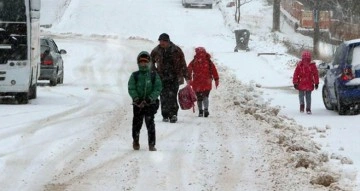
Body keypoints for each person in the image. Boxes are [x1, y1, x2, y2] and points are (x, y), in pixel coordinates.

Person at [150, 33, 190, 123]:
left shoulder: (176, 50)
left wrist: (187, 77)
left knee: (172, 97)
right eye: (160, 41)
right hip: (161, 78)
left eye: (163, 41)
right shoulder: (156, 50)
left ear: (168, 41)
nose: (161, 43)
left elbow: (183, 64)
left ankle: (173, 115)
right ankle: (165, 114)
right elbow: (150, 62)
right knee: (163, 96)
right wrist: (154, 72)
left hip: (174, 77)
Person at [128, 51, 162, 151]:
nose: (143, 64)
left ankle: (151, 144)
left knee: (150, 123)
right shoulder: (135, 75)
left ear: (149, 63)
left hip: (150, 104)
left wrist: (150, 98)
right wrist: (136, 99)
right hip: (137, 104)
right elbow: (131, 88)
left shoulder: (153, 75)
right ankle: (136, 141)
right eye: (141, 62)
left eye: (145, 62)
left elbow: (158, 88)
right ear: (138, 63)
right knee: (136, 124)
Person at [187, 47, 219, 117]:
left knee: (199, 97)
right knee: (205, 96)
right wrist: (216, 79)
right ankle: (206, 109)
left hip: (197, 82)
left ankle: (200, 111)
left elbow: (188, 70)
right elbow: (214, 70)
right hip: (207, 82)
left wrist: (189, 79)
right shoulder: (208, 61)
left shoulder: (194, 61)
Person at [292, 50, 319, 114]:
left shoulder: (312, 66)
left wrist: (316, 82)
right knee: (302, 95)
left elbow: (315, 74)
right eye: (305, 59)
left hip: (308, 83)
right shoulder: (300, 65)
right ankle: (302, 105)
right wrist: (295, 82)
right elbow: (296, 74)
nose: (306, 60)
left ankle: (308, 108)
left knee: (308, 96)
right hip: (302, 83)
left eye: (307, 59)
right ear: (302, 59)